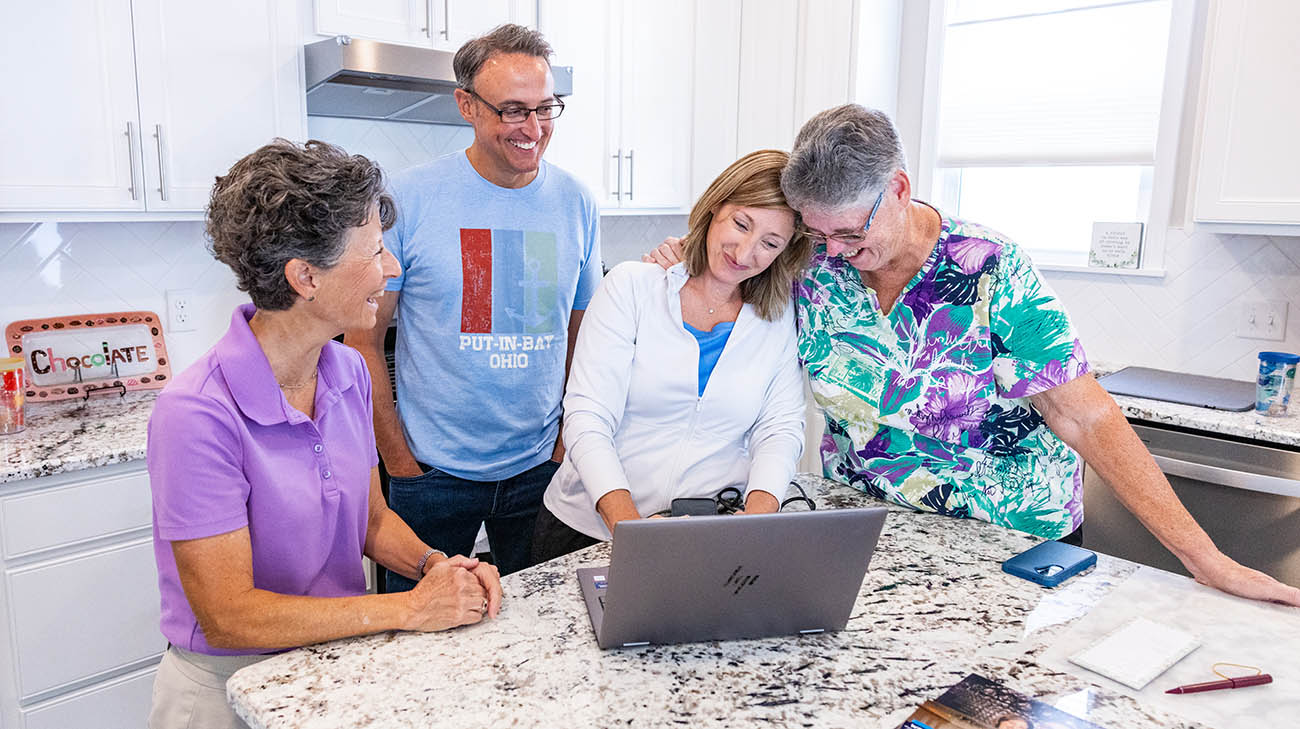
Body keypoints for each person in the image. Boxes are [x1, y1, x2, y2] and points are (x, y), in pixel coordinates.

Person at [647, 104, 1300, 607]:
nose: (836, 250)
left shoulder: (989, 268)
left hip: (1011, 542)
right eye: (818, 231)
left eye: (849, 230)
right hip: (870, 538)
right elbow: (729, 279)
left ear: (898, 188)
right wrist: (685, 257)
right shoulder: (812, 259)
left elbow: (1085, 417)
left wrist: (1203, 556)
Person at [146, 139, 503, 729]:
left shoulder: (348, 372)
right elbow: (229, 616)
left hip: (334, 664)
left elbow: (370, 520)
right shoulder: (196, 413)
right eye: (375, 252)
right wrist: (409, 609)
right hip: (225, 689)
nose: (391, 270)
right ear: (305, 276)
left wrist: (437, 566)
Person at [346, 24, 600, 585]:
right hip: (430, 475)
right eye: (513, 110)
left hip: (541, 472)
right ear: (466, 105)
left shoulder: (576, 201)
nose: (533, 129)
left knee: (539, 637)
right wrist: (399, 464)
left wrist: (564, 443)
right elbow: (361, 340)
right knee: (416, 646)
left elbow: (583, 336)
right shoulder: (408, 199)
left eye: (546, 108)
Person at [531, 150, 809, 560]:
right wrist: (632, 532)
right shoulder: (632, 287)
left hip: (704, 534)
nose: (746, 252)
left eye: (769, 243)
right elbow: (588, 418)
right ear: (716, 206)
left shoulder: (776, 318)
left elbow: (780, 428)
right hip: (589, 530)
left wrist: (756, 523)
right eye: (741, 223)